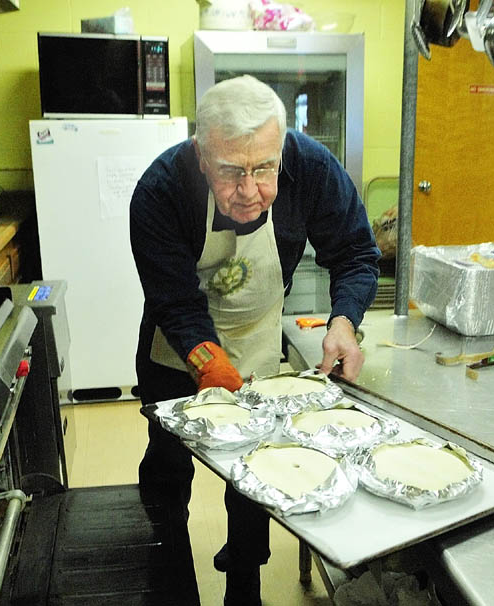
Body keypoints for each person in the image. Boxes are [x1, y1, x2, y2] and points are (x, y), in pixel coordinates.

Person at [129, 74, 380, 606]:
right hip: (179, 348)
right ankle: (170, 573)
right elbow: (174, 301)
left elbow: (356, 252)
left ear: (281, 151)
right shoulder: (159, 191)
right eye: (230, 172)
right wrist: (209, 365)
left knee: (255, 471)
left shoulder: (310, 167)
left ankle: (243, 581)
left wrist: (343, 323)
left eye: (264, 169)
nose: (249, 191)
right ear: (201, 155)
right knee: (168, 467)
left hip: (258, 339)